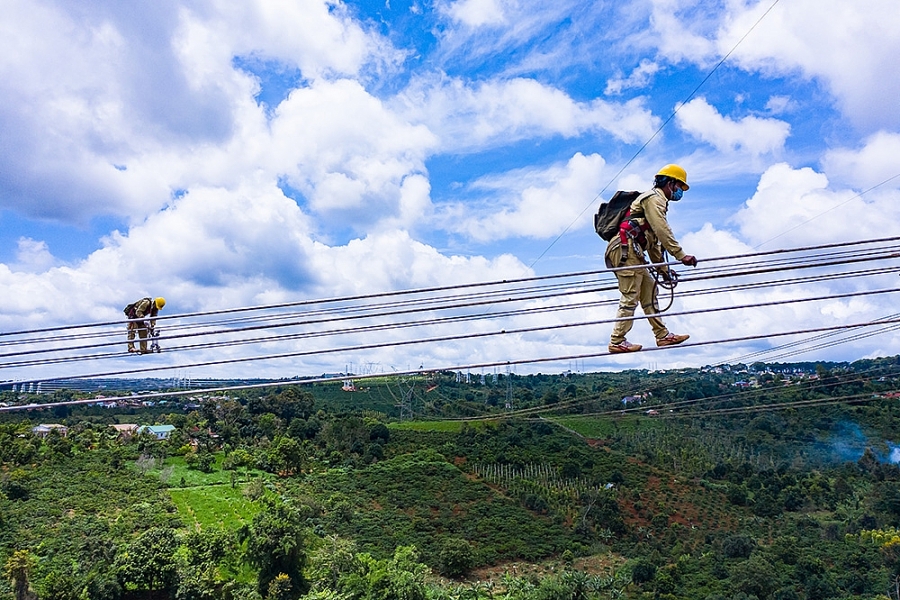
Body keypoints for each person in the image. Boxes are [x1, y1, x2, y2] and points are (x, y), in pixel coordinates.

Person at [604, 164, 697, 354]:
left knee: (649, 290)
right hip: (625, 249)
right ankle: (617, 340)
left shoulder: (656, 202)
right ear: (670, 183)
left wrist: (664, 271)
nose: (680, 191)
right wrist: (681, 255)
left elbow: (654, 245)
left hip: (633, 250)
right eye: (679, 186)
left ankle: (662, 336)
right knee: (631, 295)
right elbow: (662, 229)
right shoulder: (654, 198)